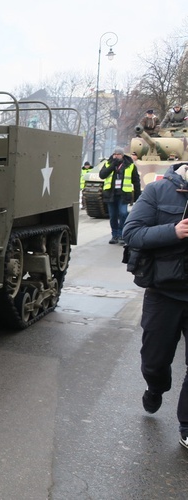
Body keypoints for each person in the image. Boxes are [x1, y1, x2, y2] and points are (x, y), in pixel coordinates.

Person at [122, 161, 188, 451]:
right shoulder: (160, 190)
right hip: (165, 293)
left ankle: (186, 425)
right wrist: (174, 231)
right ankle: (156, 386)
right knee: (154, 361)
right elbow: (132, 233)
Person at [99, 147, 141, 244]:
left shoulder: (130, 165)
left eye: (118, 154)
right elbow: (102, 175)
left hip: (123, 194)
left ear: (122, 155)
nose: (116, 156)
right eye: (114, 154)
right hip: (111, 194)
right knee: (113, 216)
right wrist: (113, 165)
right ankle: (115, 235)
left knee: (123, 213)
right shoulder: (108, 163)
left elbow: (136, 181)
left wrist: (137, 196)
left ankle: (122, 234)